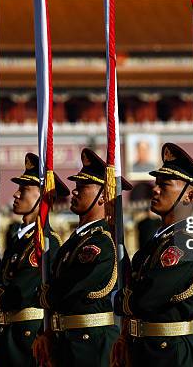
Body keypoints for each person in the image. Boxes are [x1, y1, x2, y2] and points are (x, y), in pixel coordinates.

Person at [34, 148, 132, 367]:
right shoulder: (74, 242)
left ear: (104, 196)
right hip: (67, 343)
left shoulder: (103, 243)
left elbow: (76, 287)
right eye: (76, 187)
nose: (74, 192)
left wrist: (48, 294)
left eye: (83, 187)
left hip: (90, 344)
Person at [113, 142, 193, 366]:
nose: (155, 189)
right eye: (156, 183)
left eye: (165, 185)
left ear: (189, 196)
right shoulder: (157, 241)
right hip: (146, 349)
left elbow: (147, 297)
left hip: (169, 352)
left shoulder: (184, 244)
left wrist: (119, 298)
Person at [0, 153, 70, 366]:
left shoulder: (46, 242)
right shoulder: (19, 239)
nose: (16, 194)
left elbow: (20, 292)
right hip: (8, 337)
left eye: (24, 189)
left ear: (41, 197)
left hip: (26, 339)